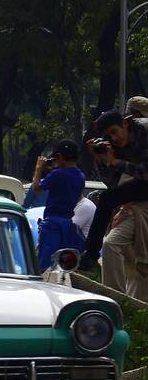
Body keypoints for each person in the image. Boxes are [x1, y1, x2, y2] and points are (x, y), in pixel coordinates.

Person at [81, 111, 148, 269]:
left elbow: (145, 172)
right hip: (143, 181)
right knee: (106, 198)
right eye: (109, 135)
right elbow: (112, 183)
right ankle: (90, 255)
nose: (114, 138)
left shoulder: (144, 132)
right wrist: (101, 160)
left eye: (114, 132)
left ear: (125, 124)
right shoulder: (111, 143)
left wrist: (116, 161)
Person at [31, 140, 86, 271]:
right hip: (68, 224)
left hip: (52, 224)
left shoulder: (57, 174)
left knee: (45, 262)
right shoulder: (81, 176)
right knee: (62, 264)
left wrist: (39, 169)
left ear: (60, 157)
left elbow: (37, 188)